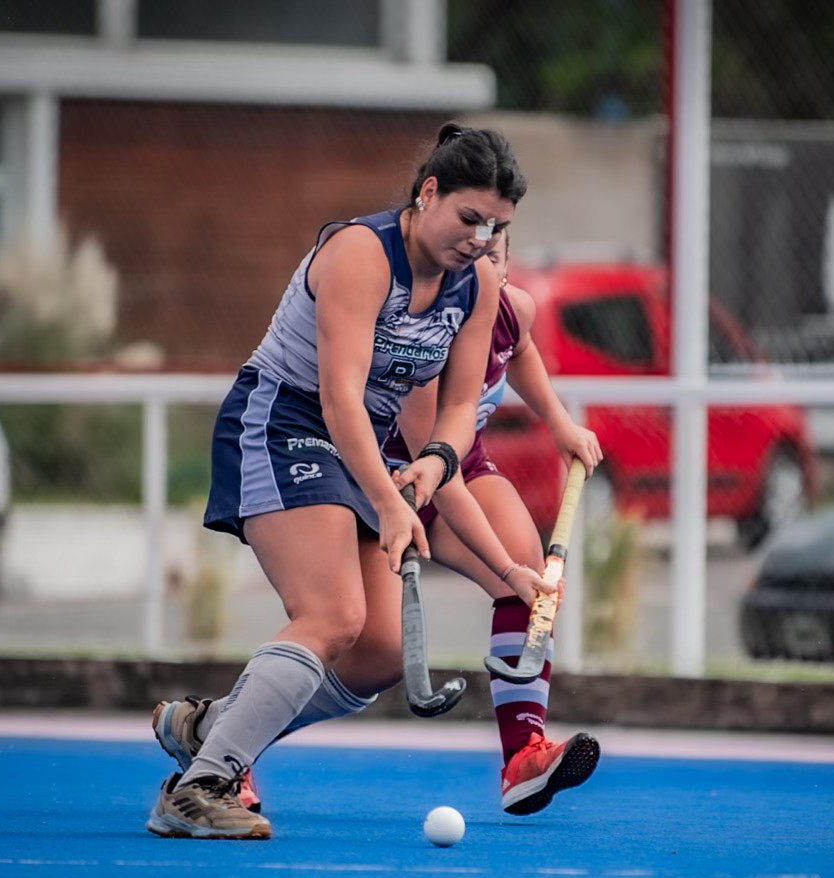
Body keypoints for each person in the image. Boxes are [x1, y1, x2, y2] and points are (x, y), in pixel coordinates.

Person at [146, 123, 545, 840]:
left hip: (358, 443)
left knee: (379, 652)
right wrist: (392, 503)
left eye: (497, 226)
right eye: (468, 217)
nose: (481, 238)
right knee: (332, 614)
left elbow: (458, 408)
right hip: (281, 420)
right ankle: (200, 788)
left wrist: (435, 463)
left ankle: (216, 727)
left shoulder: (477, 283)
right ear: (428, 193)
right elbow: (337, 397)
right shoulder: (361, 253)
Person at [385, 225, 605, 815]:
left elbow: (522, 349)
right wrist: (504, 567)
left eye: (494, 260)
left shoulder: (513, 310)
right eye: (471, 260)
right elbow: (437, 474)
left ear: (505, 268)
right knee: (347, 638)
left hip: (464, 467)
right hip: (387, 481)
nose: (481, 274)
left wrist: (560, 423)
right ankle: (225, 743)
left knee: (534, 581)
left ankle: (522, 758)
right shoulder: (425, 346)